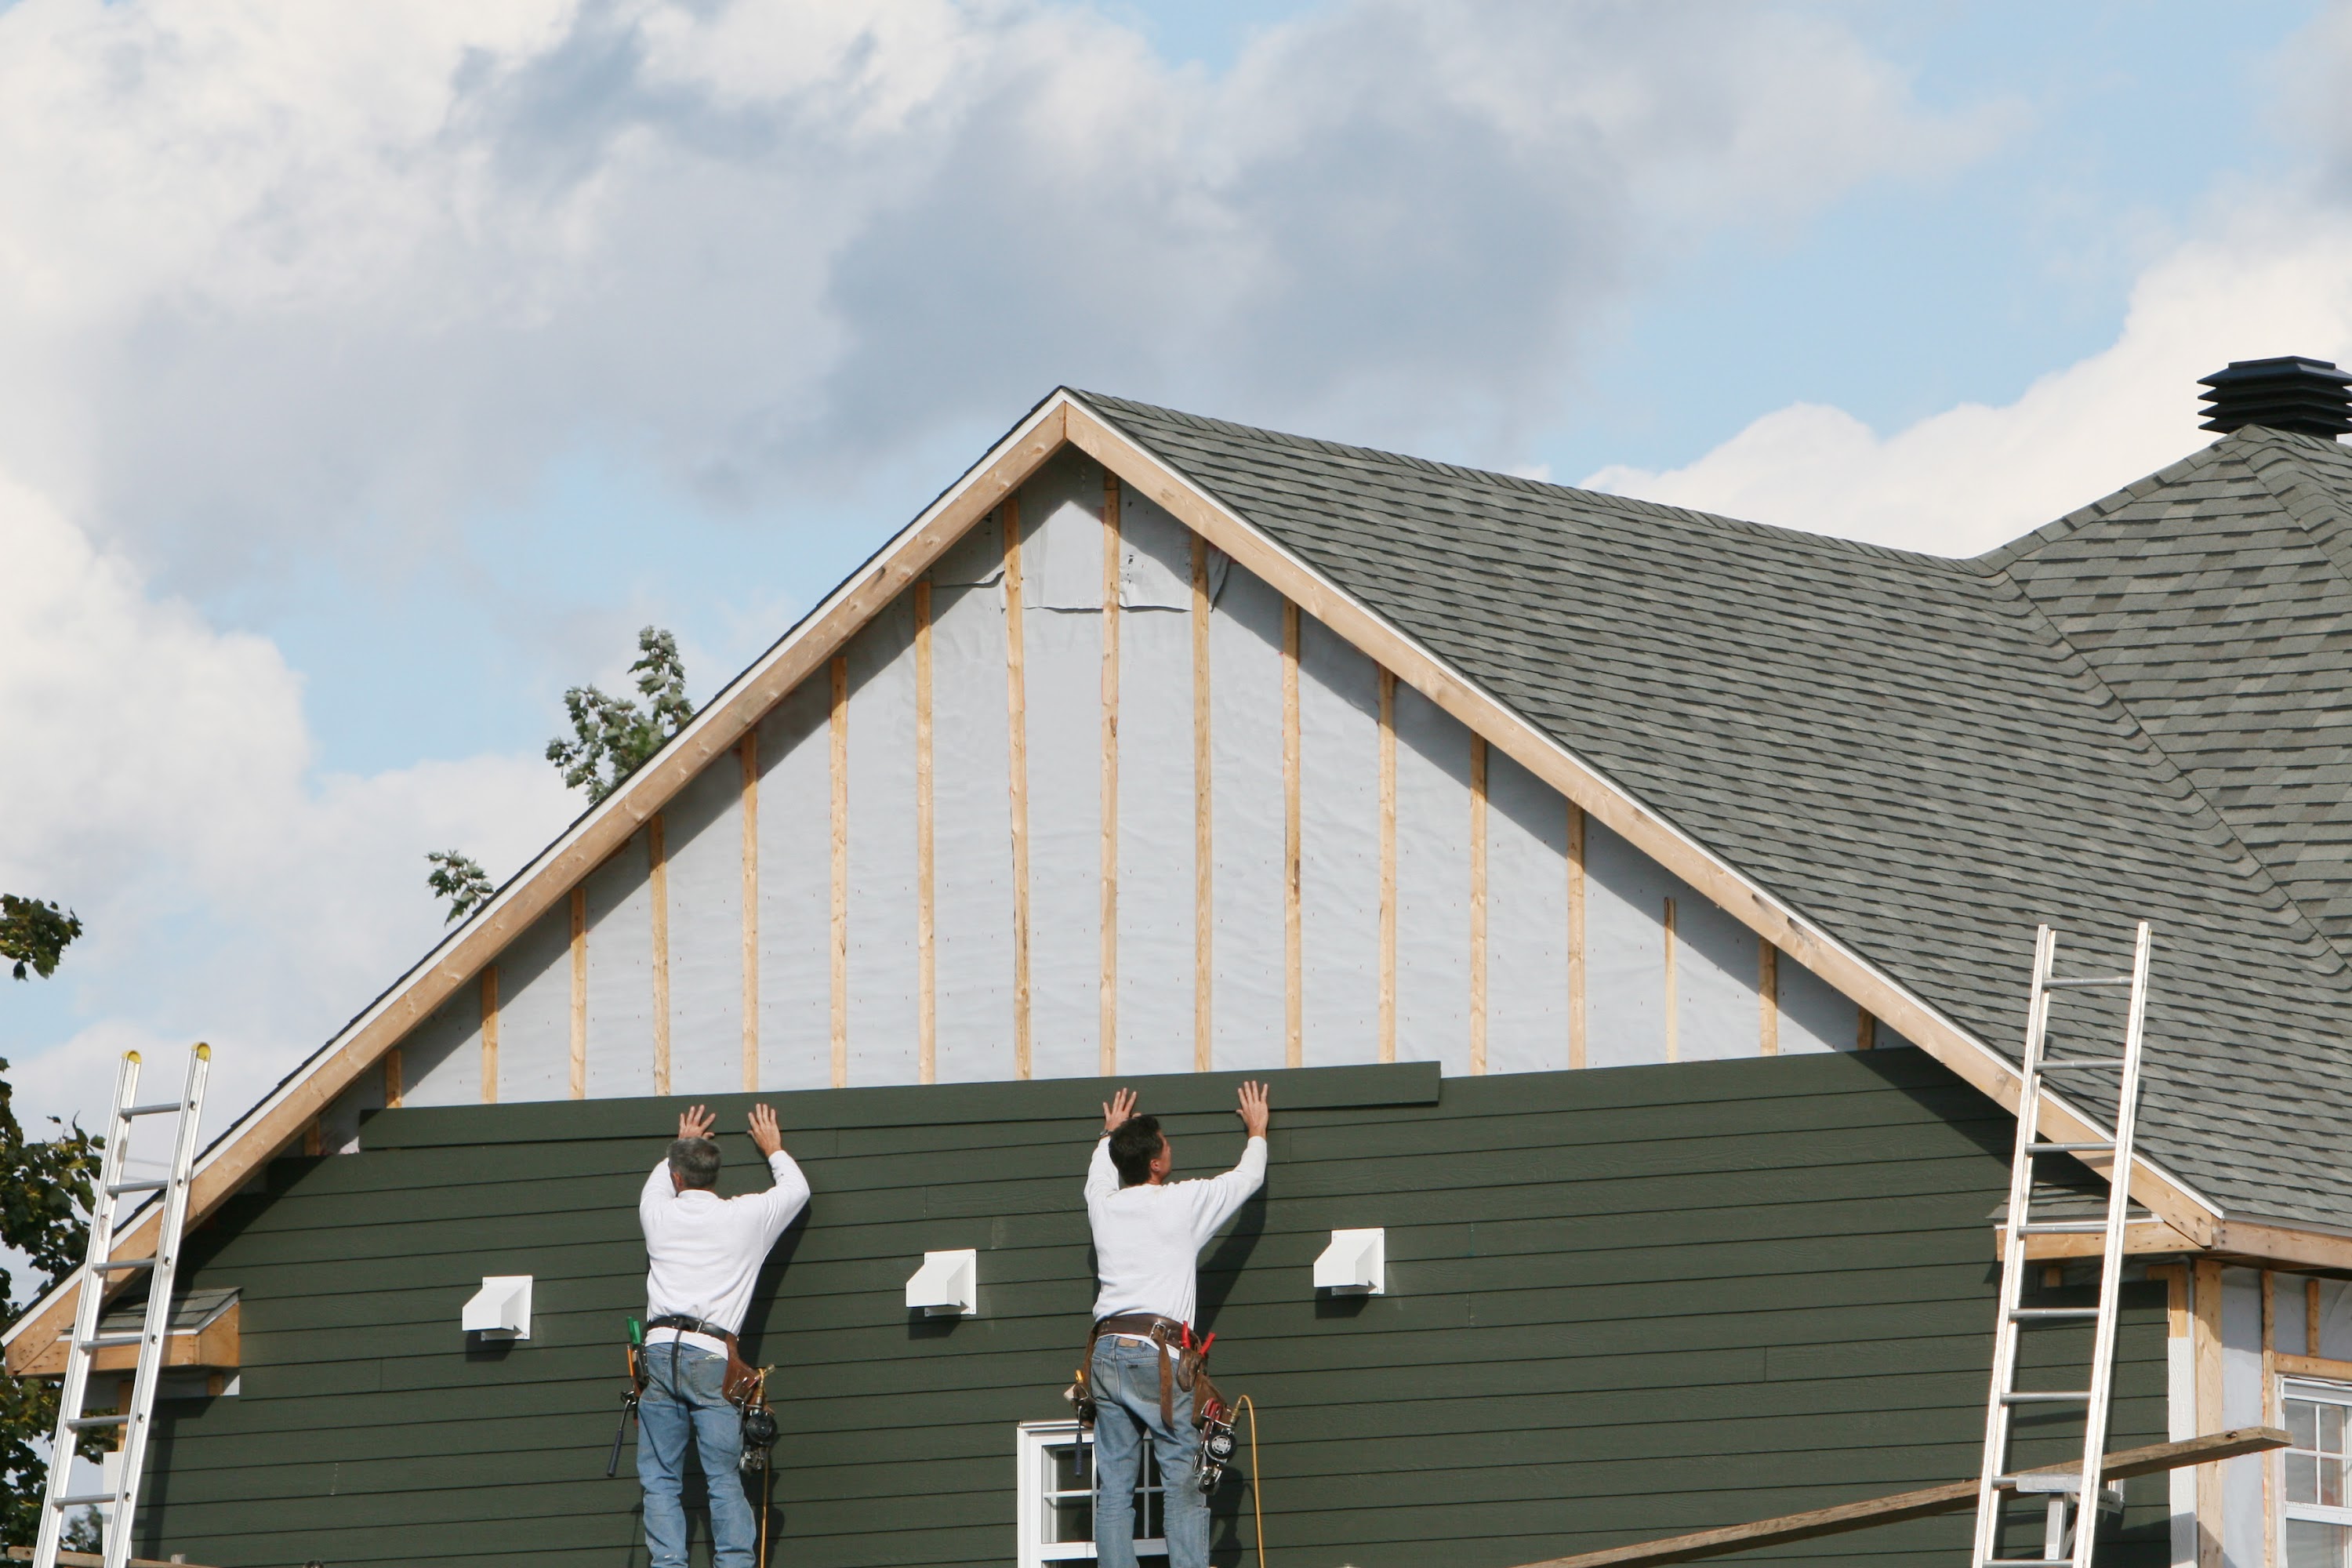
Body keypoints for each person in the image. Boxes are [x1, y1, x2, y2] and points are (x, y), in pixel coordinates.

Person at [1083, 1081, 1270, 1568]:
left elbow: (1098, 1175)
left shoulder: (1104, 1207)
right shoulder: (1180, 1203)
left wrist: (1109, 1134)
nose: (1170, 1149)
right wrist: (1256, 1130)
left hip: (1104, 1353)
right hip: (1156, 1354)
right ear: (1155, 1165)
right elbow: (1245, 1179)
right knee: (1181, 1479)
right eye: (1164, 1145)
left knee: (1116, 1487)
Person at [637, 1102, 810, 1568]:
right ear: (714, 1178)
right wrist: (774, 1149)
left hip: (657, 1354)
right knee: (722, 1478)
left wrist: (685, 1142)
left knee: (660, 1480)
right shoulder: (745, 1218)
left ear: (677, 1177)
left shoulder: (657, 1214)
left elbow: (658, 1181)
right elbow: (796, 1190)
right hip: (711, 1355)